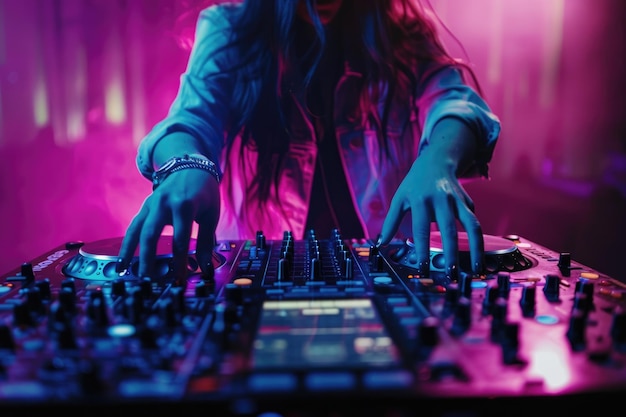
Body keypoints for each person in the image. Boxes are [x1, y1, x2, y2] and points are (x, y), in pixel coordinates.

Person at [116, 0, 501, 284]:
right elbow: (191, 119)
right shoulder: (227, 29)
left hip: (386, 274)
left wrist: (438, 162)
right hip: (256, 280)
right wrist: (187, 166)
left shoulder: (404, 33)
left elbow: (455, 102)